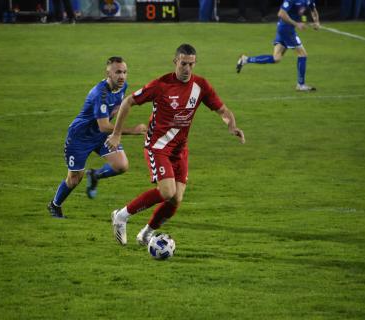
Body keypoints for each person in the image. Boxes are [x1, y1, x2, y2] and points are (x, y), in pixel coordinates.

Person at [105, 44, 245, 246]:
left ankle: (146, 234)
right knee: (167, 191)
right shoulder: (161, 85)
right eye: (183, 63)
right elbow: (128, 102)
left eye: (191, 64)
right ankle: (121, 216)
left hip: (180, 150)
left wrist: (232, 125)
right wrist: (117, 134)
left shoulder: (201, 86)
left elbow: (223, 110)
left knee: (176, 199)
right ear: (175, 62)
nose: (187, 68)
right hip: (158, 146)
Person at [47, 57, 147, 219]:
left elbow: (120, 109)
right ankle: (54, 205)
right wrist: (131, 130)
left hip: (101, 136)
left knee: (121, 165)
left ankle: (94, 175)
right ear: (108, 73)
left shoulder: (122, 87)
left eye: (124, 72)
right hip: (80, 138)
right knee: (74, 179)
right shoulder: (99, 95)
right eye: (117, 72)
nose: (122, 76)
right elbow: (103, 126)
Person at [236, 0, 321, 91]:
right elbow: (281, 13)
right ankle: (301, 85)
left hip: (285, 29)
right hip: (286, 30)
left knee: (276, 58)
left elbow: (313, 10)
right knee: (303, 55)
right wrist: (297, 24)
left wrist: (316, 22)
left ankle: (245, 59)